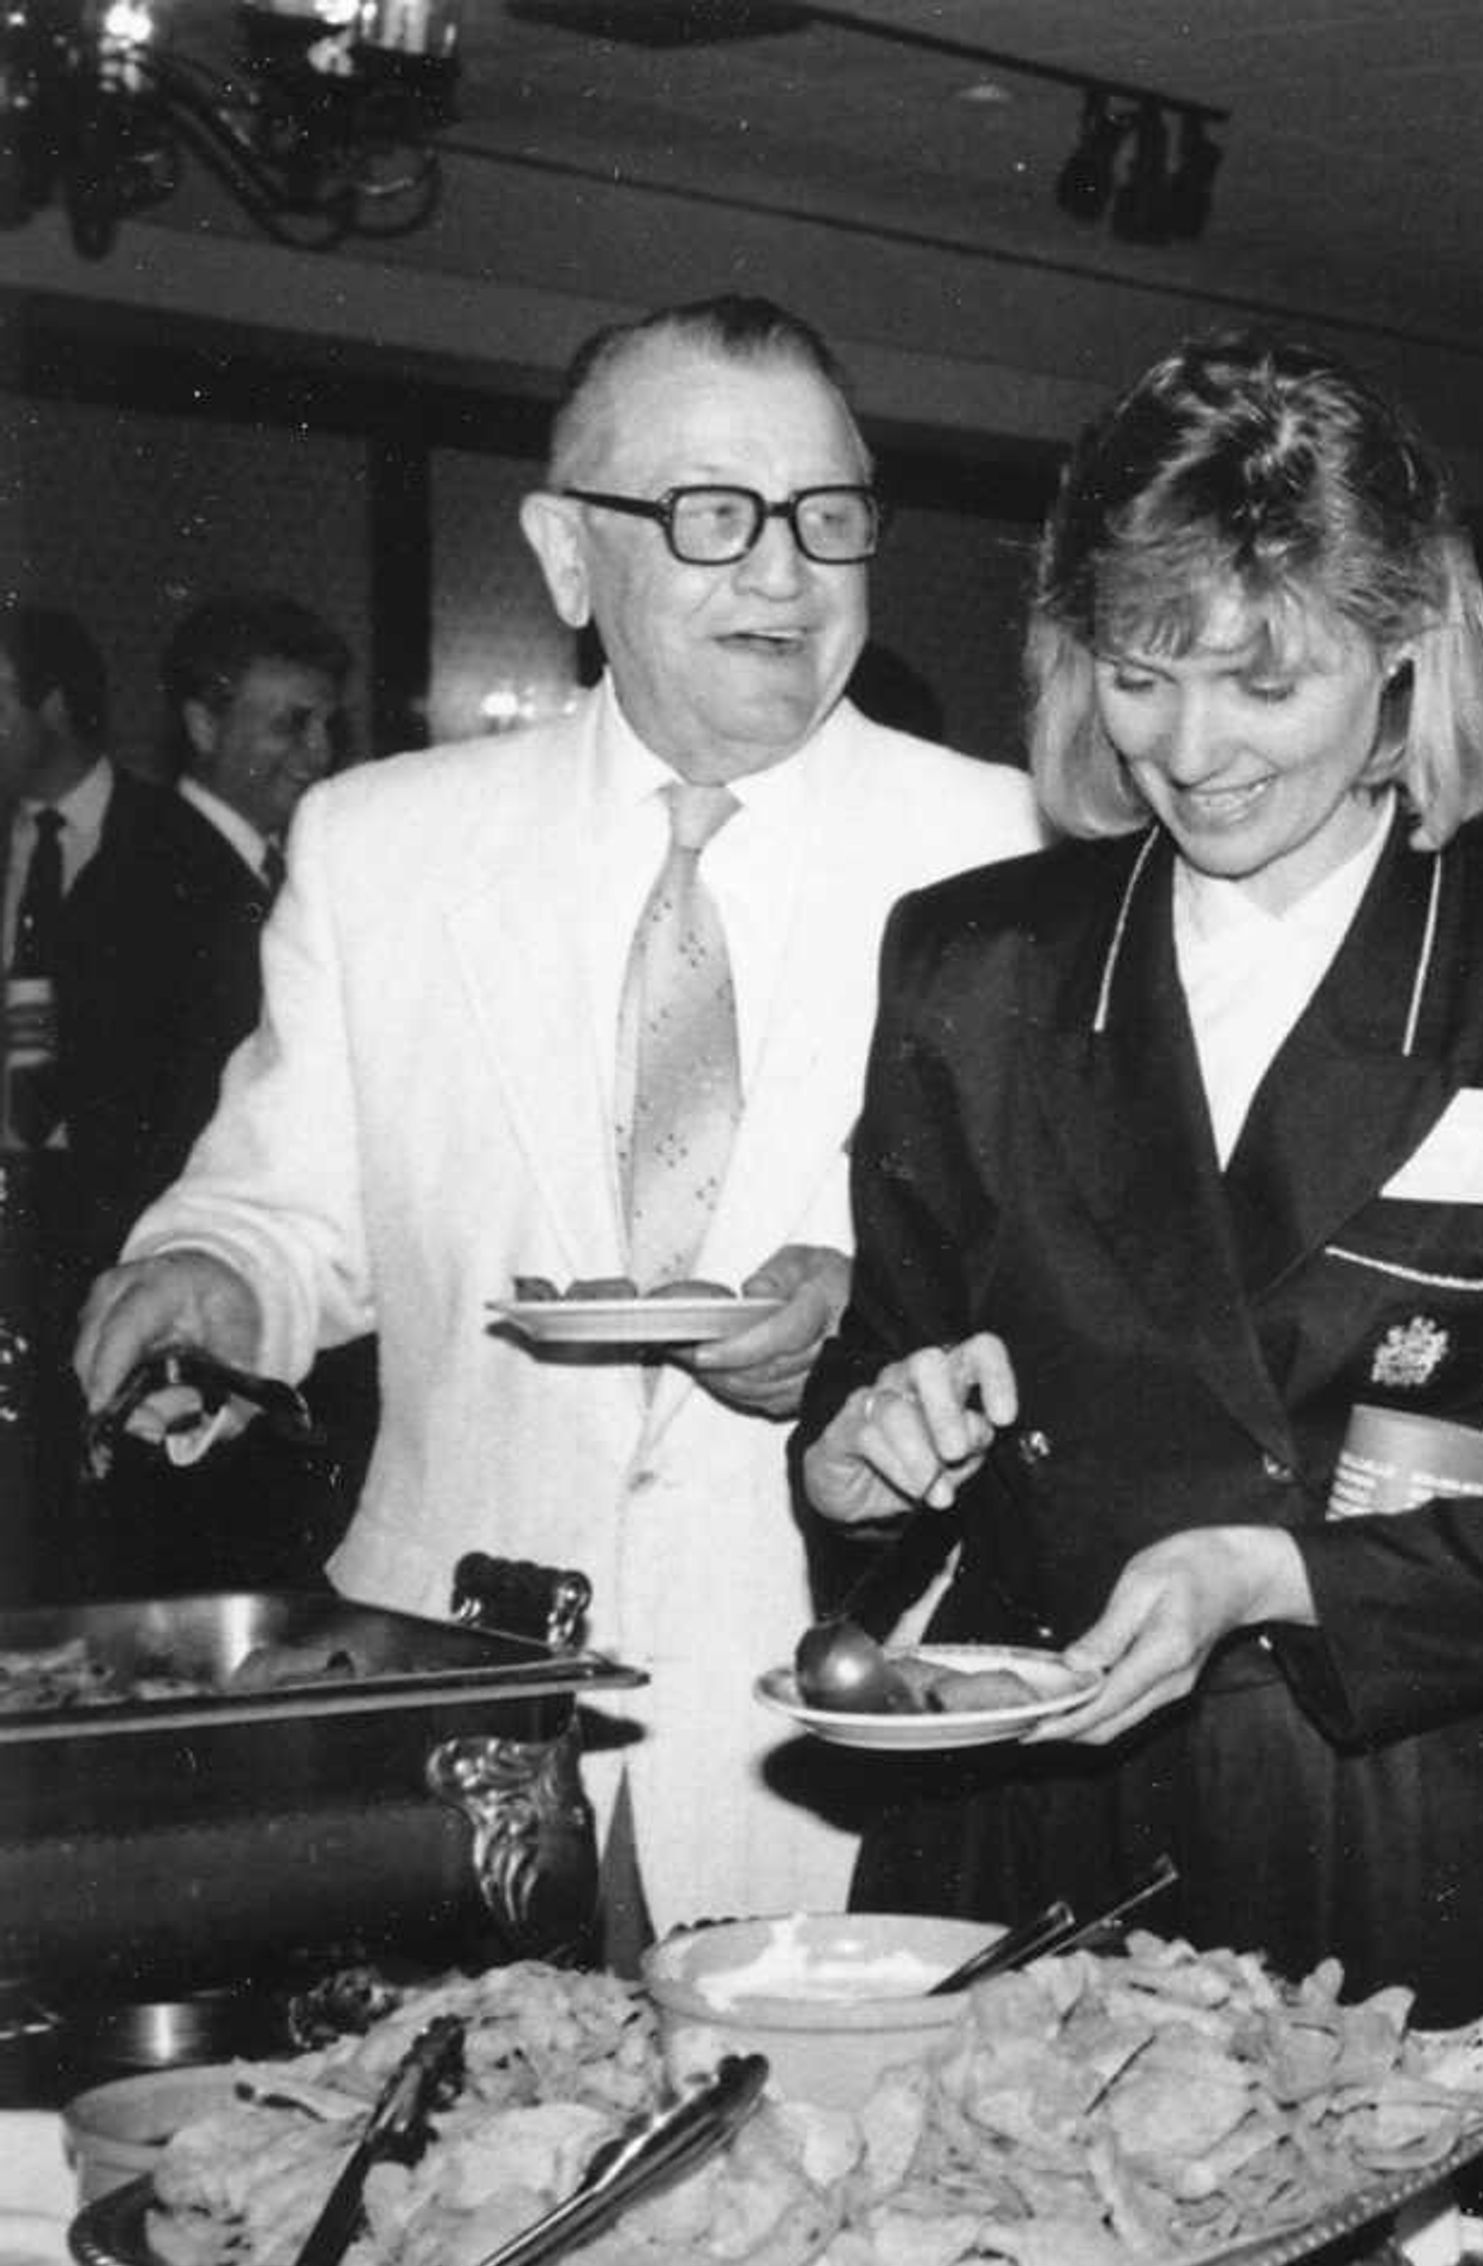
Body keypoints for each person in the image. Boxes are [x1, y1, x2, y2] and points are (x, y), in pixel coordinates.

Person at [797, 331, 1483, 2039]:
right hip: (1009, 1809)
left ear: (1403, 658)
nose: (1194, 748)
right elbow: (876, 1384)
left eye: (1268, 684)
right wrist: (862, 1463)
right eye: (1140, 672)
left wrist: (1278, 1575)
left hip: (1378, 1811)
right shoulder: (979, 962)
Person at [77, 295, 1046, 1935]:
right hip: (447, 1686)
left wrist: (878, 1309)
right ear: (564, 554)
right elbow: (290, 1199)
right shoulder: (381, 844)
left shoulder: (1019, 851)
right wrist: (214, 1281)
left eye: (830, 513)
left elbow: (1086, 1279)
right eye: (712, 512)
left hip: (856, 1705)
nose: (786, 571)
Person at [64, 592, 372, 1594]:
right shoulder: (144, 889)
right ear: (202, 725)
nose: (319, 750)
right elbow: (136, 1149)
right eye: (291, 721)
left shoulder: (274, 877)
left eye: (330, 721)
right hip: (197, 1351)